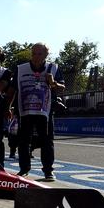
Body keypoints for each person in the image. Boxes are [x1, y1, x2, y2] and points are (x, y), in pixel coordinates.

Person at [12, 43, 65, 181]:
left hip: (45, 111)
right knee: (23, 141)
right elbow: (13, 88)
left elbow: (62, 87)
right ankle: (24, 169)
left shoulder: (53, 68)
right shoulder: (20, 68)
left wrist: (53, 83)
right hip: (25, 110)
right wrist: (7, 107)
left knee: (47, 141)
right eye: (34, 53)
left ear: (46, 55)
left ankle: (48, 171)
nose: (36, 57)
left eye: (39, 54)